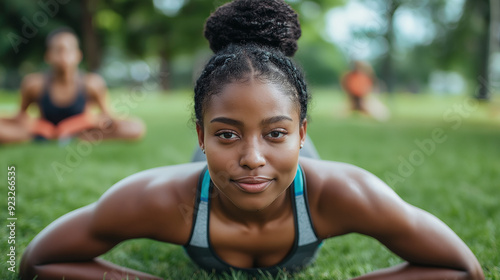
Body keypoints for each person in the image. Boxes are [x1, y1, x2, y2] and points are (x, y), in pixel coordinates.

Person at [20, 1, 484, 279]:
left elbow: (464, 270)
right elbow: (37, 262)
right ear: (200, 135)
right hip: (206, 180)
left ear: (303, 133)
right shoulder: (162, 198)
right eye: (226, 133)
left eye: (276, 132)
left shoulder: (342, 192)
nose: (252, 158)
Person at [0, 27, 145, 144]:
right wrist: (41, 126)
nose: (64, 56)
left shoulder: (92, 83)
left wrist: (79, 123)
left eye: (69, 50)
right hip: (41, 134)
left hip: (81, 133)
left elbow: (108, 119)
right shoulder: (34, 84)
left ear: (78, 55)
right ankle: (53, 139)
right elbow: (20, 118)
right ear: (48, 55)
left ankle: (74, 139)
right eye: (58, 50)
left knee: (135, 128)